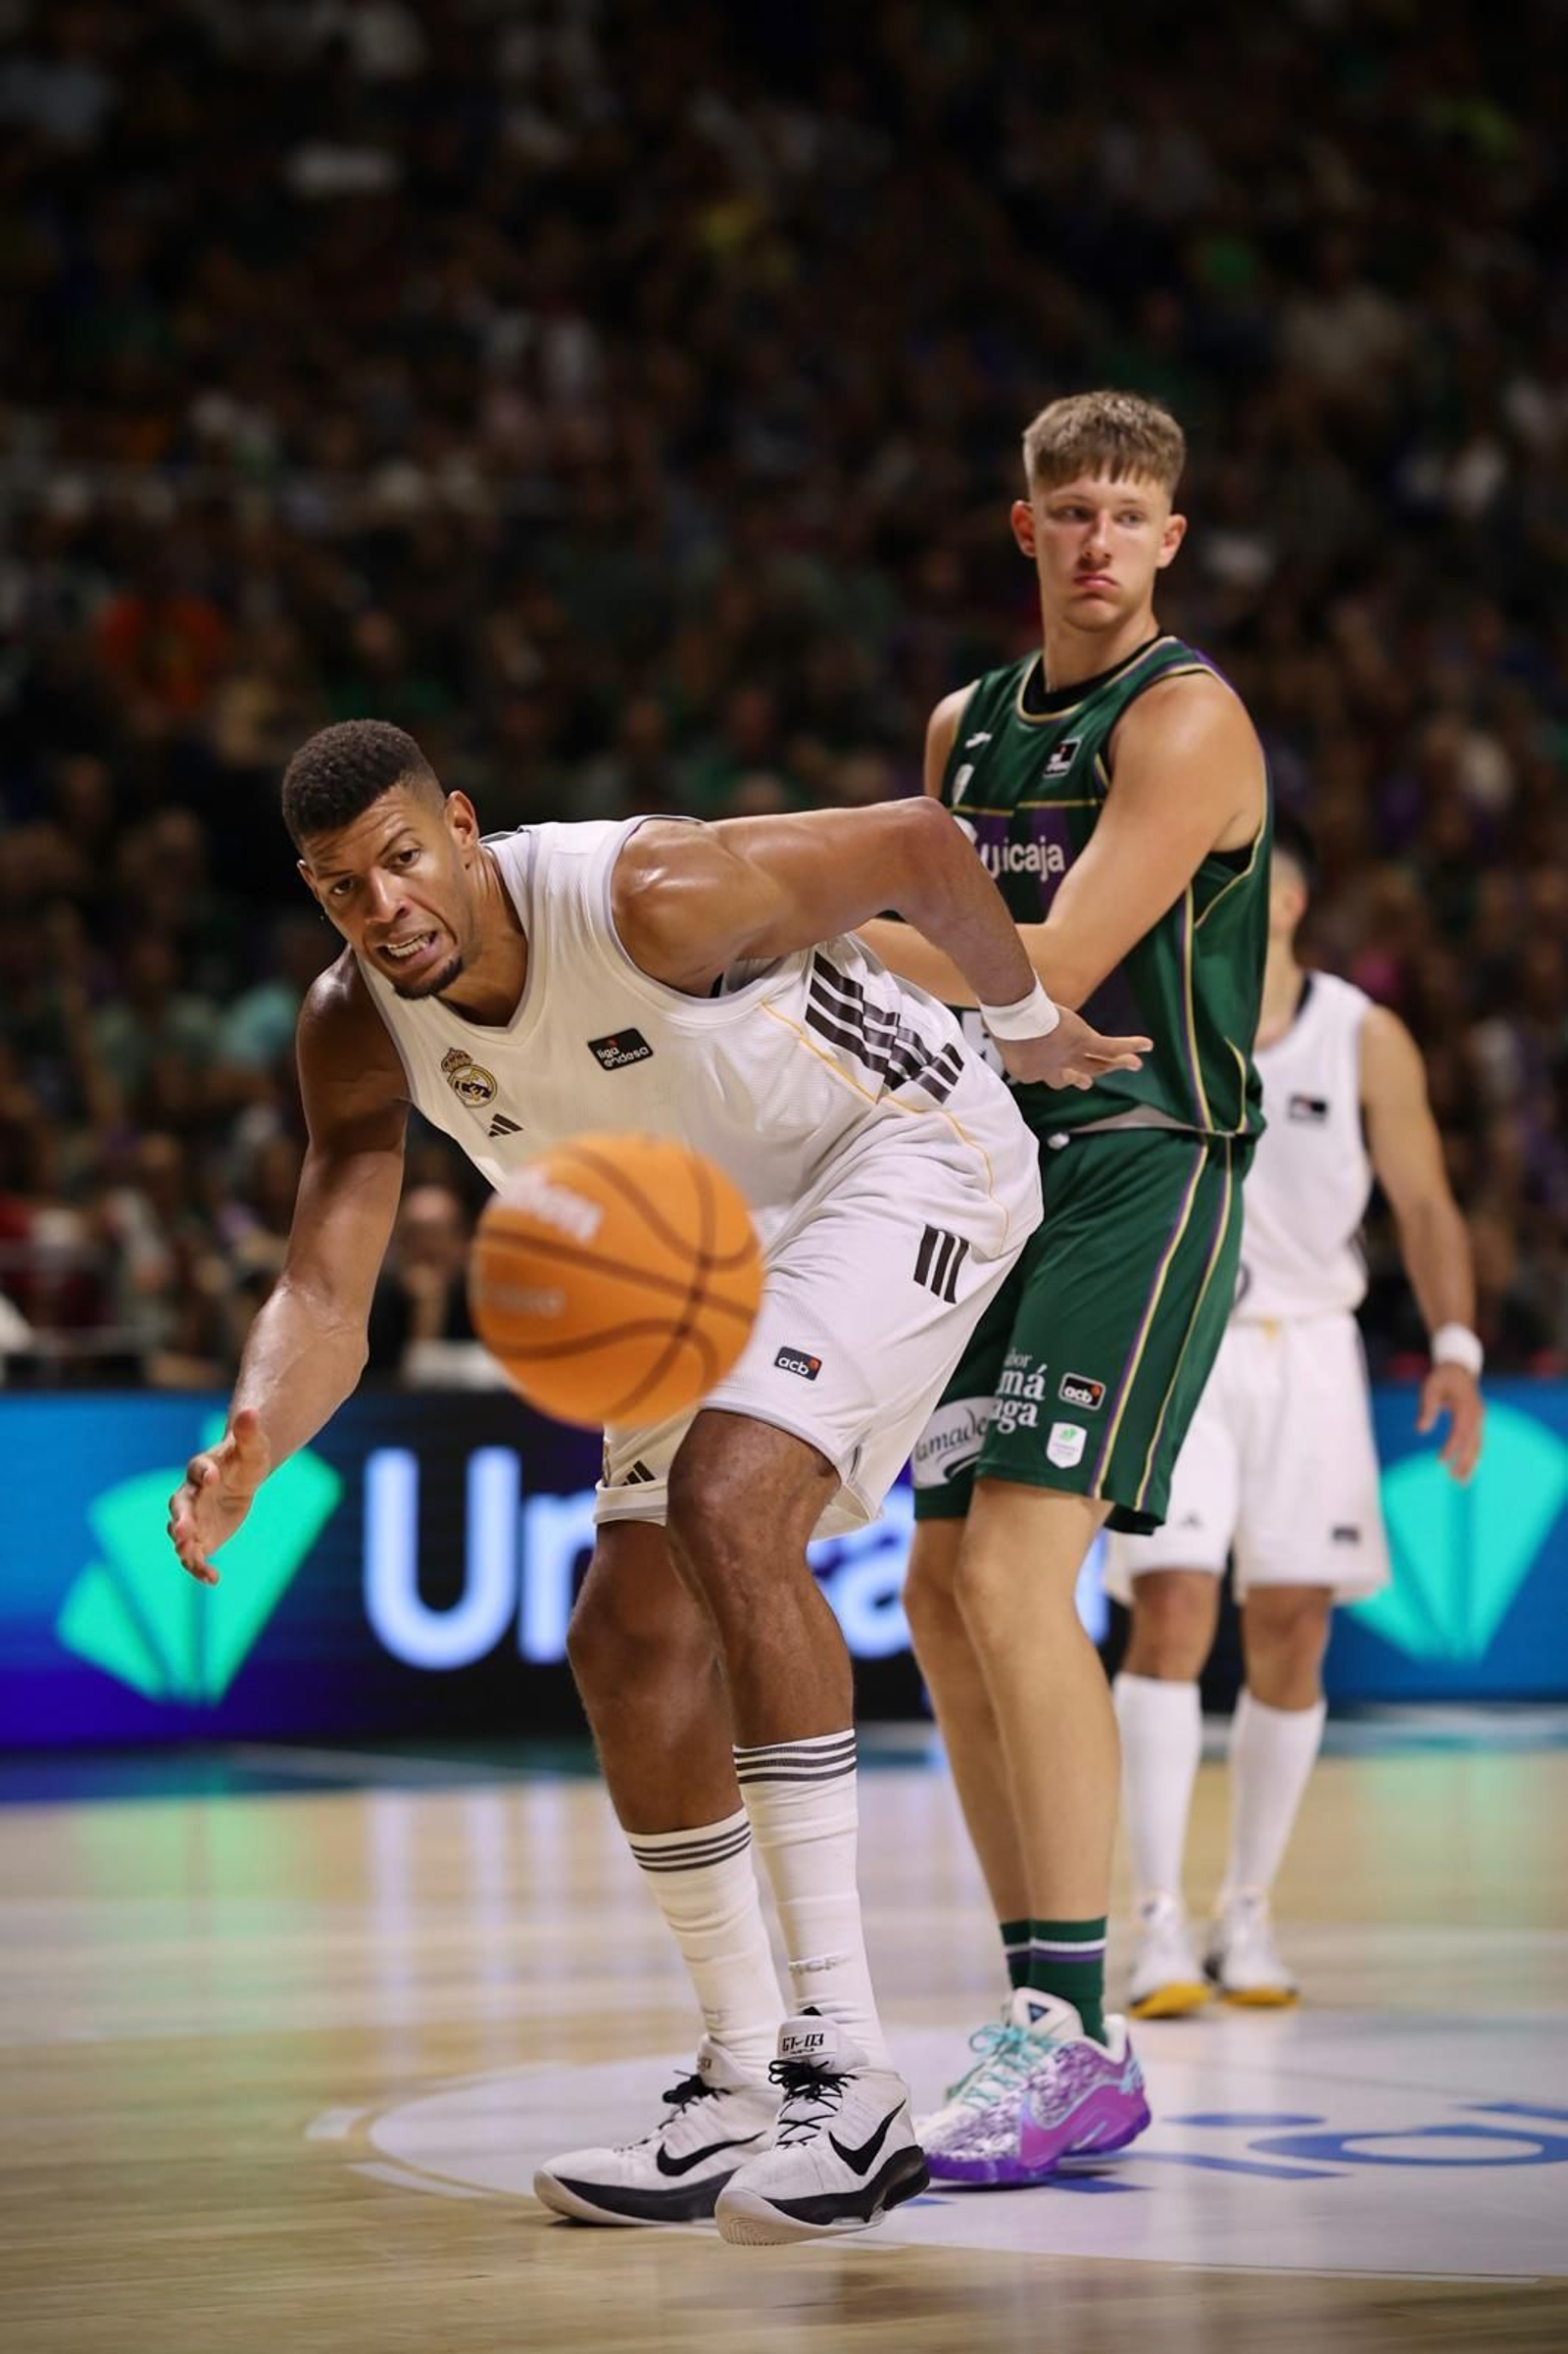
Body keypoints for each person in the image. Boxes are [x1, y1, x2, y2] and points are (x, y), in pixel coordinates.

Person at [166, 717, 1147, 2244]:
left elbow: (912, 841)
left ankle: (851, 2070)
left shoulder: (649, 894)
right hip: (701, 1250)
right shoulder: (354, 1023)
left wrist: (1022, 1014)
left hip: (902, 1154)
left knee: (727, 1500)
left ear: (465, 828)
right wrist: (250, 1443)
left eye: (405, 859)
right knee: (624, 1637)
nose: (384, 907)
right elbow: (326, 1286)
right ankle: (745, 2071)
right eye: (340, 886)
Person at [858, 388, 1270, 2184]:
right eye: (1070, 510)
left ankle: (1082, 2021)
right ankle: (1043, 2011)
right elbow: (942, 971)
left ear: (1172, 539)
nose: (1100, 539)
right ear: (1021, 531)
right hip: (996, 1173)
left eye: (1131, 513)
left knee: (1025, 1565)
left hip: (1149, 1156)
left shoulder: (1186, 723)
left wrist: (752, 912)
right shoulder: (963, 725)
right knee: (941, 1589)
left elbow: (1039, 962)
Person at [1105, 810, 1485, 2010]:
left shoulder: (1362, 1036)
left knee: (1295, 1629)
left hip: (1313, 1348)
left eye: (1248, 875)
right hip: (1179, 1337)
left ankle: (1246, 1912)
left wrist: (1456, 1346)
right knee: (1167, 1612)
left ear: (1290, 897)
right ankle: (1155, 1919)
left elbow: (1423, 1204)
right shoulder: (1149, 1013)